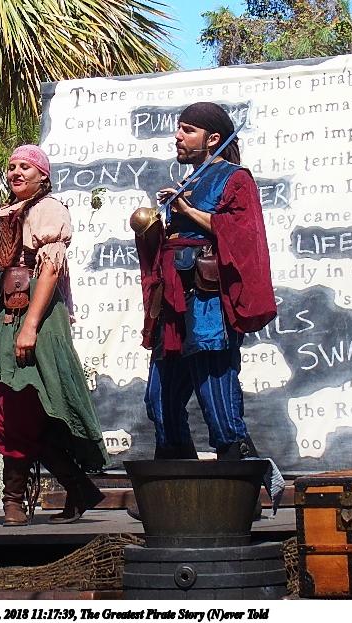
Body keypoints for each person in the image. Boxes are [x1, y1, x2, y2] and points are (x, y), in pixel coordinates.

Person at [0, 145, 107, 527]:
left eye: (25, 167)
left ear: (43, 176)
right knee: (4, 407)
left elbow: (49, 270)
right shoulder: (1, 216)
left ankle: (13, 501)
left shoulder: (49, 210)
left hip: (33, 316)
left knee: (21, 407)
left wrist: (30, 326)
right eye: (11, 166)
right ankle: (78, 487)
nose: (15, 172)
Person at [135, 102, 277, 463]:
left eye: (187, 130)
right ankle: (175, 479)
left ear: (212, 138)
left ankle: (243, 477)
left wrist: (187, 211)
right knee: (161, 399)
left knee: (217, 393)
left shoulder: (235, 178)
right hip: (172, 299)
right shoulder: (190, 181)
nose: (177, 136)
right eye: (178, 128)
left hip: (207, 298)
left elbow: (242, 234)